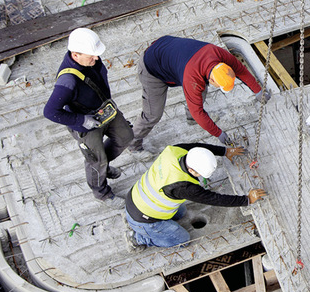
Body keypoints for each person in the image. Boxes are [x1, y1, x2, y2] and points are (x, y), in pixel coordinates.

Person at [129, 36, 271, 150]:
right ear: (212, 79)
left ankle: (190, 119)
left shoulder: (219, 55)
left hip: (168, 50)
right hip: (152, 68)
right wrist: (219, 133)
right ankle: (133, 143)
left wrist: (258, 91)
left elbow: (240, 69)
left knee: (200, 92)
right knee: (153, 114)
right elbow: (197, 111)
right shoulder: (193, 78)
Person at [44, 28, 132, 202]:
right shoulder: (68, 81)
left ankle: (103, 167)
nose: (97, 58)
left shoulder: (90, 61)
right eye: (92, 55)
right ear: (75, 55)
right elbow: (50, 111)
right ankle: (102, 193)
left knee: (125, 137)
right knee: (95, 161)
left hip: (104, 111)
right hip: (85, 124)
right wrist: (81, 120)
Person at [124, 142, 266, 250]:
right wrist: (246, 200)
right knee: (183, 240)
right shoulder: (184, 187)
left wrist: (225, 151)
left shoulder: (176, 151)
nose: (200, 177)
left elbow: (198, 147)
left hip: (136, 197)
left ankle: (133, 221)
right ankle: (138, 238)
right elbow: (214, 199)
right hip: (144, 218)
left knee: (181, 213)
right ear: (191, 169)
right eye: (199, 174)